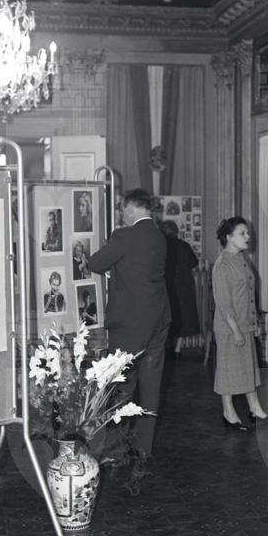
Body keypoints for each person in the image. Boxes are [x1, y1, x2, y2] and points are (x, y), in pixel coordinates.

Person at [90, 188, 170, 461]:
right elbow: (138, 269)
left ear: (131, 208)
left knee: (121, 385)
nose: (121, 215)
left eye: (122, 210)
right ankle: (143, 447)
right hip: (159, 318)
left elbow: (95, 263)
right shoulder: (159, 237)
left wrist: (109, 262)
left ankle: (116, 449)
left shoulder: (123, 236)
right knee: (151, 386)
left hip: (129, 322)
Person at [212, 216, 268, 431]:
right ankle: (228, 413)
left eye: (247, 233)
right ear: (229, 237)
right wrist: (236, 330)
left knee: (249, 368)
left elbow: (247, 294)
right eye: (242, 233)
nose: (248, 236)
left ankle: (255, 408)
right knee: (228, 369)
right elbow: (223, 304)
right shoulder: (222, 265)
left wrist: (254, 323)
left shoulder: (240, 259)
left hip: (245, 323)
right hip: (230, 327)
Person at [160, 220, 200, 358]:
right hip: (183, 288)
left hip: (165, 286)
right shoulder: (184, 245)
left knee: (166, 319)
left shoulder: (159, 246)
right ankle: (177, 350)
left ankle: (166, 349)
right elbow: (194, 263)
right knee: (183, 319)